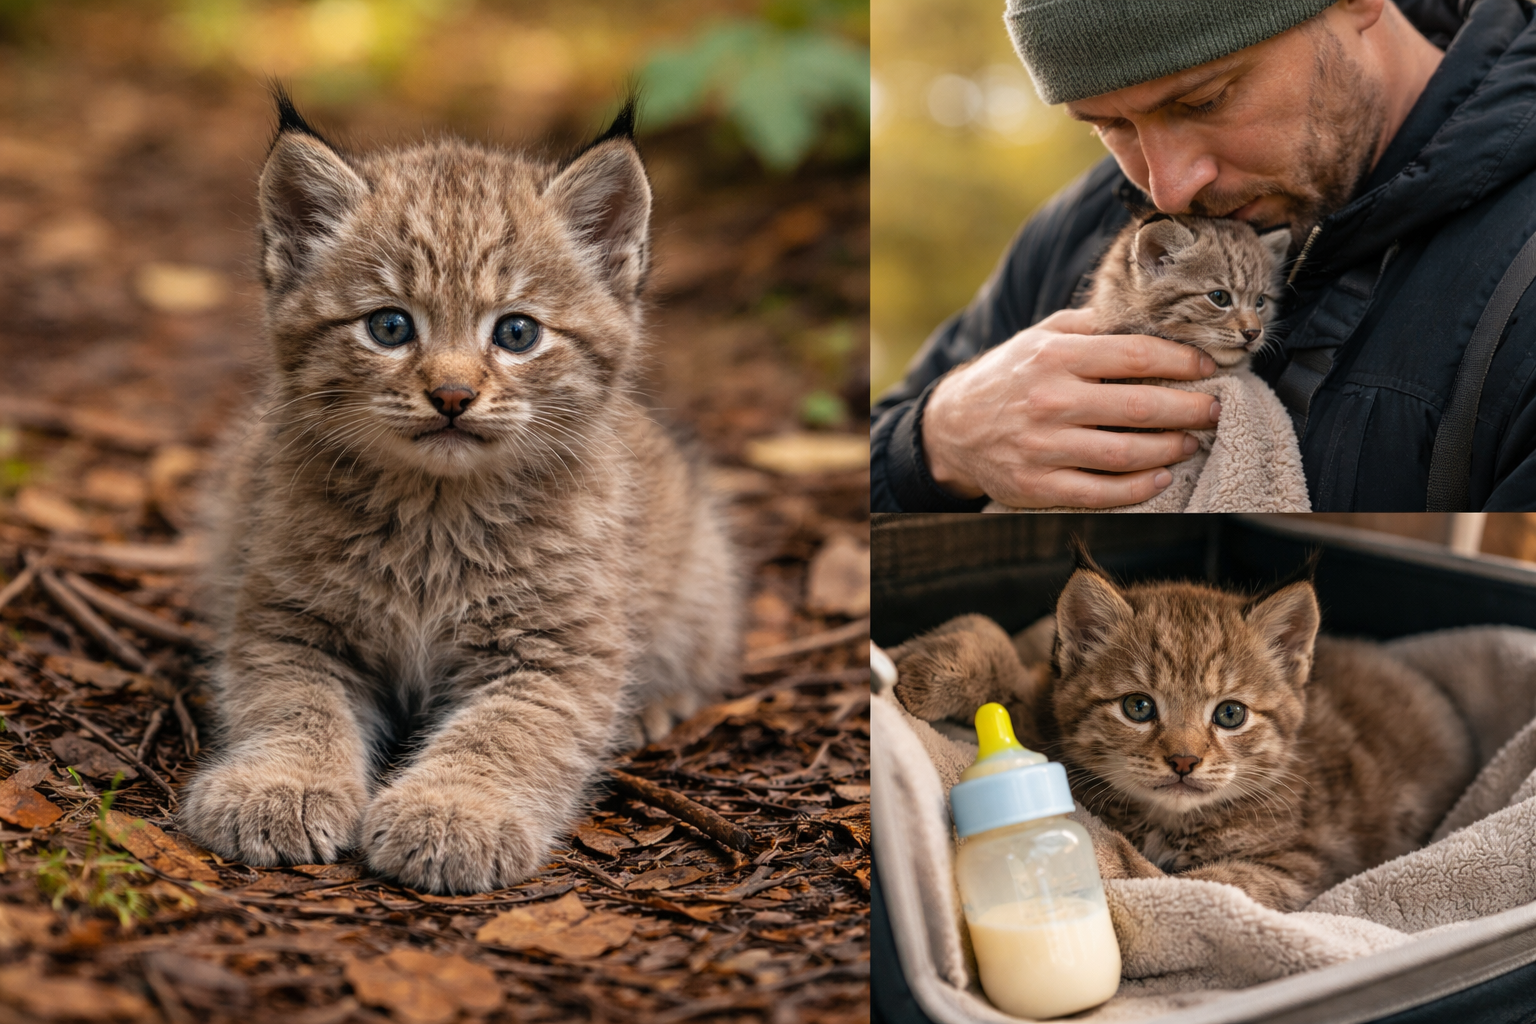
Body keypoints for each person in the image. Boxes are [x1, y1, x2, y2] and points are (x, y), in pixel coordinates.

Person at [871, 0, 1536, 512]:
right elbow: (872, 457)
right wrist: (936, 442)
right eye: (1111, 126)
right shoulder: (1086, 222)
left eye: (1205, 99)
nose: (1169, 188)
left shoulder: (1520, 283)